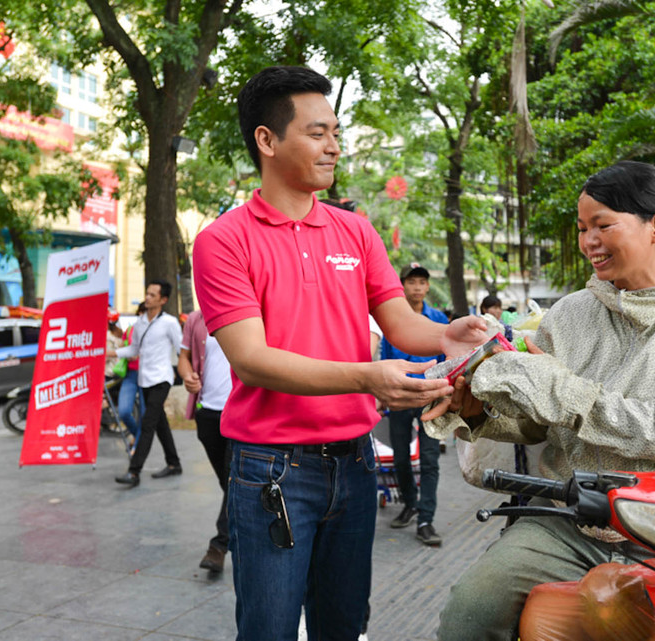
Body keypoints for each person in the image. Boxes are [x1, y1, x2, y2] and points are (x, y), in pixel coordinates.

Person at [190, 65, 487, 641]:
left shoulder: (355, 231)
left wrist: (453, 335)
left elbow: (399, 321)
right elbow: (250, 357)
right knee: (269, 629)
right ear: (267, 140)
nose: (334, 147)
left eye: (335, 132)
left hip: (352, 464)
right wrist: (366, 378)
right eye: (318, 132)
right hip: (271, 468)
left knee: (344, 626)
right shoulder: (224, 240)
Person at [428, 160, 655, 641]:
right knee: (468, 613)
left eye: (603, 225)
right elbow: (538, 426)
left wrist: (558, 389)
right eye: (582, 228)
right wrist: (477, 414)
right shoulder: (569, 314)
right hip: (565, 520)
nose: (588, 241)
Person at [380, 262, 449, 546]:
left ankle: (425, 519)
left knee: (431, 459)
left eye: (422, 282)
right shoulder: (392, 320)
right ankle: (409, 503)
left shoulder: (439, 319)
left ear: (428, 287)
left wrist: (447, 393)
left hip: (431, 395)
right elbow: (385, 356)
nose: (417, 287)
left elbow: (448, 359)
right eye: (412, 282)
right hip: (400, 395)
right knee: (400, 457)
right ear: (403, 285)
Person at [177, 309, 233, 573]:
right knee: (229, 484)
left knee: (234, 482)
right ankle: (244, 526)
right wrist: (187, 375)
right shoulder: (197, 319)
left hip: (241, 413)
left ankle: (219, 545)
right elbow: (184, 357)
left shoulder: (256, 309)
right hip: (208, 411)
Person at [112, 281, 184, 487]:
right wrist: (111, 353)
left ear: (163, 300)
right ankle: (174, 463)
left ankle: (134, 471)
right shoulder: (140, 322)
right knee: (160, 423)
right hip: (144, 380)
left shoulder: (169, 323)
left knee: (147, 423)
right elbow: (133, 349)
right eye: (147, 293)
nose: (148, 297)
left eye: (153, 295)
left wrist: (190, 372)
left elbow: (181, 349)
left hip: (162, 379)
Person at [116, 303, 147, 449]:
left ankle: (137, 448)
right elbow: (123, 347)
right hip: (131, 374)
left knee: (144, 414)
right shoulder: (130, 329)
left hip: (147, 374)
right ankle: (138, 436)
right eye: (142, 313)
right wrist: (127, 353)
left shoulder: (154, 329)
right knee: (124, 411)